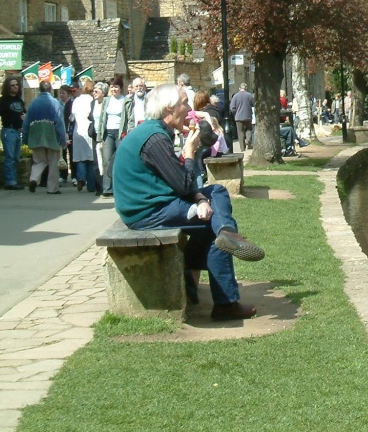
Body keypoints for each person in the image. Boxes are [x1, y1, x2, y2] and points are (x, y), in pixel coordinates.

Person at [113, 83, 264, 321]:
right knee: (215, 228)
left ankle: (224, 235)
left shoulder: (154, 132)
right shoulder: (154, 139)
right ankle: (225, 302)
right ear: (168, 109)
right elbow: (182, 184)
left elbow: (177, 181)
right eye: (184, 103)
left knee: (216, 192)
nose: (188, 108)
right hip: (147, 212)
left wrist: (200, 197)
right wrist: (190, 152)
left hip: (154, 204)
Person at [22, 81, 67, 194]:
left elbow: (26, 122)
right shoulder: (54, 102)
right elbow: (59, 122)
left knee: (39, 161)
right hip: (51, 135)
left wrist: (25, 137)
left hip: (36, 135)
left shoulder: (33, 103)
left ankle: (33, 179)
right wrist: (62, 138)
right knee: (53, 162)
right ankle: (52, 188)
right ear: (50, 89)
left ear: (40, 89)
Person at [97, 76, 131, 197]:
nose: (114, 89)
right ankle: (107, 189)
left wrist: (128, 134)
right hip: (108, 133)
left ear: (121, 88)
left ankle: (120, 188)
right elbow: (102, 119)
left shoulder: (126, 101)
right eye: (112, 87)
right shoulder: (106, 100)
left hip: (120, 133)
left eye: (116, 87)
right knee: (107, 160)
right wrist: (99, 136)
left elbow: (130, 119)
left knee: (119, 161)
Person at [70, 78, 97, 191]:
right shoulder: (93, 101)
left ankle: (81, 177)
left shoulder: (77, 100)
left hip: (78, 131)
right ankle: (91, 186)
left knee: (80, 158)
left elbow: (72, 117)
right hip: (89, 131)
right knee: (90, 159)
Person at [229, 82, 254, 152]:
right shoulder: (250, 95)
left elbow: (232, 107)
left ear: (239, 88)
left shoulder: (235, 96)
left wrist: (235, 113)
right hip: (248, 116)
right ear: (246, 88)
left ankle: (242, 148)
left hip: (238, 117)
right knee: (249, 129)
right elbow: (253, 104)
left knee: (240, 132)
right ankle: (248, 141)